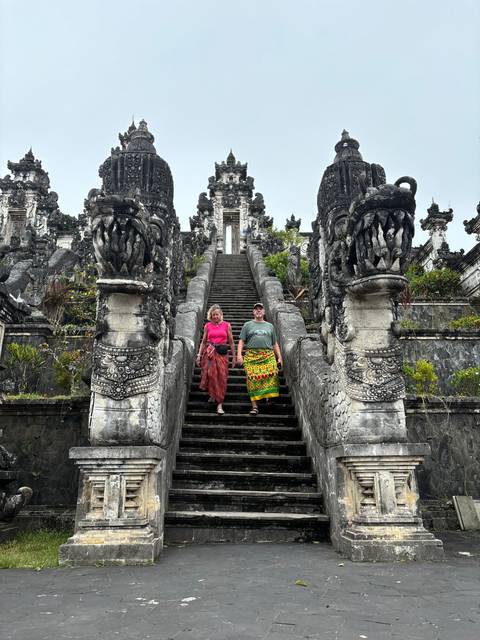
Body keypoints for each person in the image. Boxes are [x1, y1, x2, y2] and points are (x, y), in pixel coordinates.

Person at [237, 302, 282, 415]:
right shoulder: (247, 325)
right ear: (253, 312)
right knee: (252, 379)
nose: (258, 311)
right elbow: (241, 341)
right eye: (256, 309)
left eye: (260, 309)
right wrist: (239, 355)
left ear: (264, 312)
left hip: (268, 354)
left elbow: (275, 344)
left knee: (272, 374)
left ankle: (268, 397)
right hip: (252, 356)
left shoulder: (269, 326)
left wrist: (280, 357)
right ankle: (254, 406)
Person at [196, 304, 236, 415]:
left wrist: (234, 357)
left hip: (222, 354)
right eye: (213, 315)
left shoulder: (227, 325)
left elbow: (231, 342)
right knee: (210, 374)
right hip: (209, 353)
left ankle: (219, 404)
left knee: (221, 377)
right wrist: (199, 355)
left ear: (221, 315)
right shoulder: (207, 326)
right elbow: (203, 342)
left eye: (217, 314)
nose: (215, 316)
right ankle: (213, 394)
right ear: (210, 315)